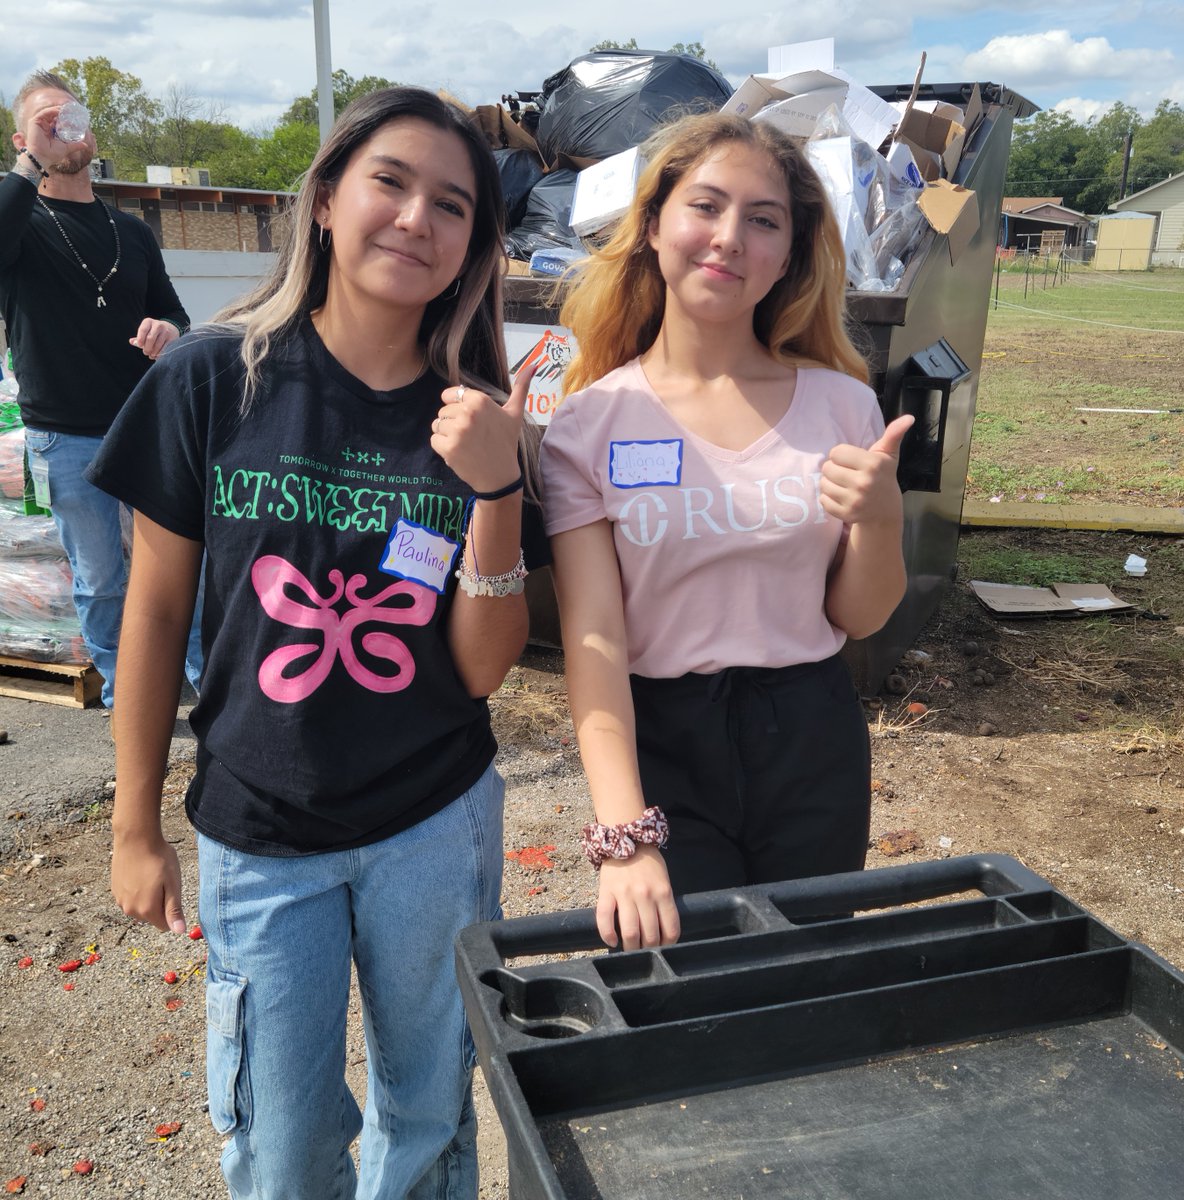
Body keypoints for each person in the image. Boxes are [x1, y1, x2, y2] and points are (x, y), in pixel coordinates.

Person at [88, 87, 544, 1199]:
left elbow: (483, 669)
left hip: (434, 822)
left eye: (453, 206)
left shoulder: (477, 420)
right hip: (261, 826)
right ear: (329, 198)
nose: (416, 220)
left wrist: (497, 484)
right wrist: (134, 821)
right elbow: (151, 616)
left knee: (430, 1116)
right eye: (391, 182)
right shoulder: (211, 378)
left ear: (474, 246)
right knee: (280, 1145)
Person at [540, 111, 914, 952]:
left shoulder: (844, 404)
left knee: (805, 981)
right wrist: (623, 835)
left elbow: (860, 616)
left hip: (812, 737)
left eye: (763, 219)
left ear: (790, 251)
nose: (730, 238)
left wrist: (881, 519)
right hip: (664, 741)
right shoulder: (590, 424)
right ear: (652, 226)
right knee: (687, 999)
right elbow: (594, 639)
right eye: (706, 206)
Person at [1, 69, 202, 705]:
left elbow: (177, 312)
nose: (66, 129)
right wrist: (30, 164)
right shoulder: (21, 223)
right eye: (46, 120)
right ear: (21, 139)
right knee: (100, 580)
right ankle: (128, 699)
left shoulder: (133, 231)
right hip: (65, 433)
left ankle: (205, 688)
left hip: (148, 426)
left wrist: (168, 329)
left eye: (72, 115)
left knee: (179, 568)